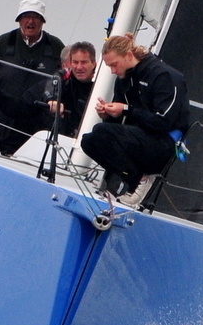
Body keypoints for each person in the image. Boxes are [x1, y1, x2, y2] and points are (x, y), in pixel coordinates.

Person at [80, 33, 190, 207]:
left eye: (114, 65)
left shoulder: (164, 76)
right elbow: (115, 126)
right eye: (109, 67)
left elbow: (163, 122)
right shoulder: (123, 79)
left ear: (129, 56)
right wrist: (109, 114)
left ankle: (141, 182)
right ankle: (133, 180)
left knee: (102, 132)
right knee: (89, 140)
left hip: (165, 143)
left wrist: (125, 109)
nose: (113, 71)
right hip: (139, 138)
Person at [0, 0, 65, 154]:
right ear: (19, 20)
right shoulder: (4, 42)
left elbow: (68, 78)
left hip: (37, 129)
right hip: (0, 124)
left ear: (42, 21)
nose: (30, 21)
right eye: (26, 16)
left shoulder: (55, 46)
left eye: (35, 17)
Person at [44, 41, 97, 137]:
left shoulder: (100, 81)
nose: (79, 67)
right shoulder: (65, 76)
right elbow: (55, 79)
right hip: (65, 137)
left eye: (84, 62)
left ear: (94, 63)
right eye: (75, 62)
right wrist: (52, 99)